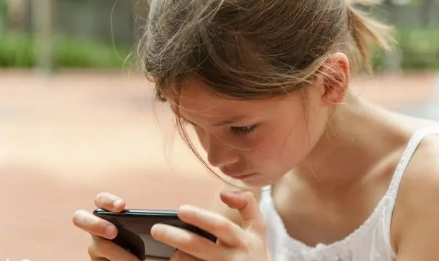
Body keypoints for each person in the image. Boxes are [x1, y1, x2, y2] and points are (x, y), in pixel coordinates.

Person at [72, 0, 439, 260]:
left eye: (242, 128)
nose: (216, 159)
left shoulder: (426, 187)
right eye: (192, 125)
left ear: (330, 82)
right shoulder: (252, 196)